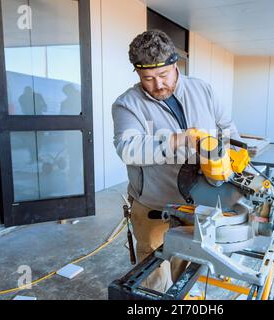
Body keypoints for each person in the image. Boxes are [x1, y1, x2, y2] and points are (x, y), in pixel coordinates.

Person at [112, 30, 240, 292]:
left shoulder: (203, 90)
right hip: (153, 204)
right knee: (152, 272)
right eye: (148, 78)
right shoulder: (127, 104)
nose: (158, 85)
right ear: (137, 74)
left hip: (195, 203)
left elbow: (226, 129)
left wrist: (233, 158)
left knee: (187, 264)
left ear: (175, 65)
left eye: (163, 75)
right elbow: (128, 148)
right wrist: (178, 140)